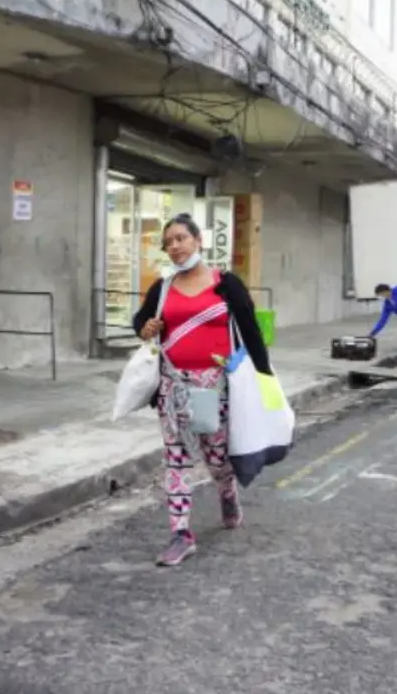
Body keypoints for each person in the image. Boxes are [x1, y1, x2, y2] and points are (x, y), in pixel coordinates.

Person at [133, 213, 272, 567]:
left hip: (214, 389)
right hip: (173, 386)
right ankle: (181, 534)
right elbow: (140, 321)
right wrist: (145, 328)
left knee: (216, 457)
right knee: (176, 458)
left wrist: (266, 379)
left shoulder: (225, 284)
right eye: (168, 242)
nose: (174, 246)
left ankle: (227, 492)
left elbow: (251, 332)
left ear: (198, 241)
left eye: (180, 238)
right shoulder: (162, 287)